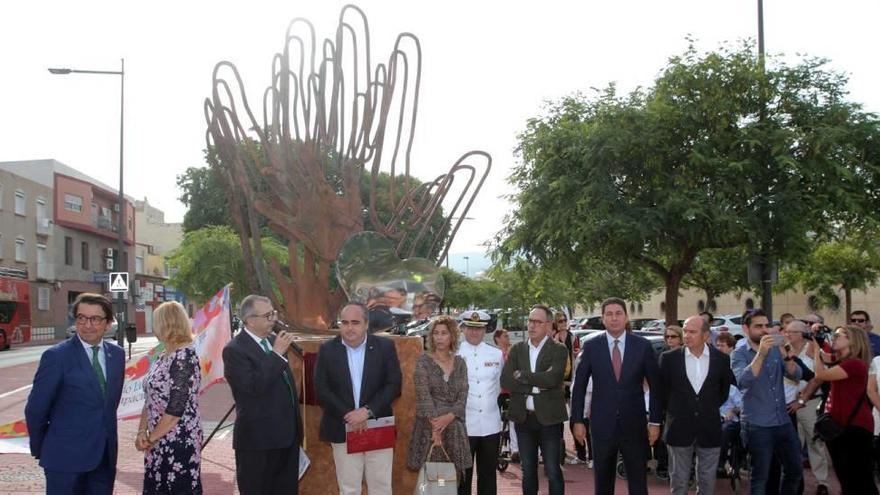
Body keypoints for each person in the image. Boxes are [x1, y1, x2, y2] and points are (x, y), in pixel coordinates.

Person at [25, 293, 125, 495]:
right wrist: (42, 448)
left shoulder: (117, 356)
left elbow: (107, 406)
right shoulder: (56, 357)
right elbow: (35, 410)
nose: (87, 325)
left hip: (104, 459)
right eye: (81, 318)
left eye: (95, 319)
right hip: (64, 461)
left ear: (108, 323)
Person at [571, 297, 662, 495]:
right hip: (602, 425)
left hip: (635, 424)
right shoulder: (592, 346)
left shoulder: (642, 346)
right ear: (603, 319)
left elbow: (656, 387)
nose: (614, 318)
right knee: (603, 481)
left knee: (638, 481)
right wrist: (577, 420)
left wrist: (655, 421)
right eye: (609, 314)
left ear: (626, 317)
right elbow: (579, 387)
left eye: (618, 313)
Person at [314, 302, 402, 495]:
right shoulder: (327, 350)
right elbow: (322, 390)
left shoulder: (385, 347)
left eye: (355, 322)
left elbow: (393, 385)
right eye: (344, 322)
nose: (349, 327)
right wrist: (350, 415)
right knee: (349, 488)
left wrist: (366, 411)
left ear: (366, 324)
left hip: (377, 425)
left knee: (380, 486)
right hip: (343, 427)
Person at [223, 294, 302, 495]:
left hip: (287, 438)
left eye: (273, 313)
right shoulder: (235, 350)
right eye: (267, 316)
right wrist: (275, 355)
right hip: (258, 442)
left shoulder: (274, 341)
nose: (273, 320)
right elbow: (253, 389)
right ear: (250, 320)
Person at [659, 315, 734, 495]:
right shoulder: (669, 359)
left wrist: (706, 408)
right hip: (678, 428)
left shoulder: (721, 360)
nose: (686, 335)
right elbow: (662, 392)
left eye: (692, 332)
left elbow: (723, 392)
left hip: (710, 427)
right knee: (679, 482)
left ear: (706, 335)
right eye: (684, 331)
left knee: (707, 482)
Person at [731, 309, 803, 495]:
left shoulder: (775, 351)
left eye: (766, 325)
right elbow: (744, 381)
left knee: (795, 471)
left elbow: (796, 374)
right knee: (760, 478)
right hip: (757, 425)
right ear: (746, 328)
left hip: (783, 422)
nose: (764, 330)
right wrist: (761, 353)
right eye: (759, 326)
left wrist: (787, 356)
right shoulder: (739, 354)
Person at [501, 304, 569, 495]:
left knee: (553, 470)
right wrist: (539, 384)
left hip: (550, 420)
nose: (532, 326)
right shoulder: (517, 350)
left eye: (537, 322)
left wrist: (522, 376)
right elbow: (506, 380)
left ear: (548, 325)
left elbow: (553, 378)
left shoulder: (559, 350)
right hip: (524, 420)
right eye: (530, 321)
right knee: (528, 471)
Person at [136, 301, 203, 494]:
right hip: (157, 440)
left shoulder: (184, 357)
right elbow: (150, 398)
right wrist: (142, 432)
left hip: (178, 441)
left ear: (165, 324)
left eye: (155, 322)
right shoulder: (163, 355)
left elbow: (175, 409)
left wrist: (151, 439)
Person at [407, 316, 472, 484]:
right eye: (436, 333)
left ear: (452, 336)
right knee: (433, 481)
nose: (439, 337)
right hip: (430, 430)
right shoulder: (423, 362)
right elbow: (423, 397)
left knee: (450, 481)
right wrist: (436, 428)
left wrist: (450, 417)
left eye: (444, 333)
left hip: (454, 429)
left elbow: (463, 395)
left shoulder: (460, 363)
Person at [813, 325, 877, 494]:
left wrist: (814, 350)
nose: (834, 337)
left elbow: (820, 374)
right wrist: (817, 342)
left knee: (859, 479)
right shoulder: (843, 361)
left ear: (852, 341)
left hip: (855, 427)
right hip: (841, 426)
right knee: (847, 478)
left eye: (839, 335)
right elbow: (827, 355)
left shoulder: (855, 364)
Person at [456, 310, 503, 494]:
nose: (474, 332)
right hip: (463, 425)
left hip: (490, 425)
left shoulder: (496, 354)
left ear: (485, 330)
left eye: (478, 328)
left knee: (488, 475)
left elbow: (498, 386)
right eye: (470, 328)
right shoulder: (454, 354)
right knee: (463, 477)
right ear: (463, 329)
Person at [783, 319, 832, 495]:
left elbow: (817, 378)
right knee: (792, 447)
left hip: (809, 404)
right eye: (786, 331)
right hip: (787, 407)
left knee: (814, 443)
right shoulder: (783, 350)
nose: (786, 334)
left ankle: (822, 483)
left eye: (791, 332)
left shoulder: (812, 350)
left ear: (802, 334)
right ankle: (796, 482)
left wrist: (802, 400)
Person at [553, 311, 588, 466]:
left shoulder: (574, 338)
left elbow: (578, 358)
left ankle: (582, 453)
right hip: (557, 384)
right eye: (560, 321)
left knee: (576, 418)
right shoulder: (552, 339)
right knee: (558, 419)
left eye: (564, 320)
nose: (562, 323)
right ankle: (559, 451)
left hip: (572, 383)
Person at [714, 333, 743, 478]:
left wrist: (733, 411)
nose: (719, 348)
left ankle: (720, 462)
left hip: (729, 420)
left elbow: (741, 404)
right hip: (712, 417)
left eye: (722, 345)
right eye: (717, 345)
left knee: (725, 430)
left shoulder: (732, 387)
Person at [494, 328, 519, 461]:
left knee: (512, 421)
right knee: (499, 421)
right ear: (497, 339)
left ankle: (514, 448)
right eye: (505, 336)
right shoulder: (494, 354)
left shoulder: (511, 352)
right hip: (499, 393)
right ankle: (503, 447)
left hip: (510, 391)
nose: (508, 338)